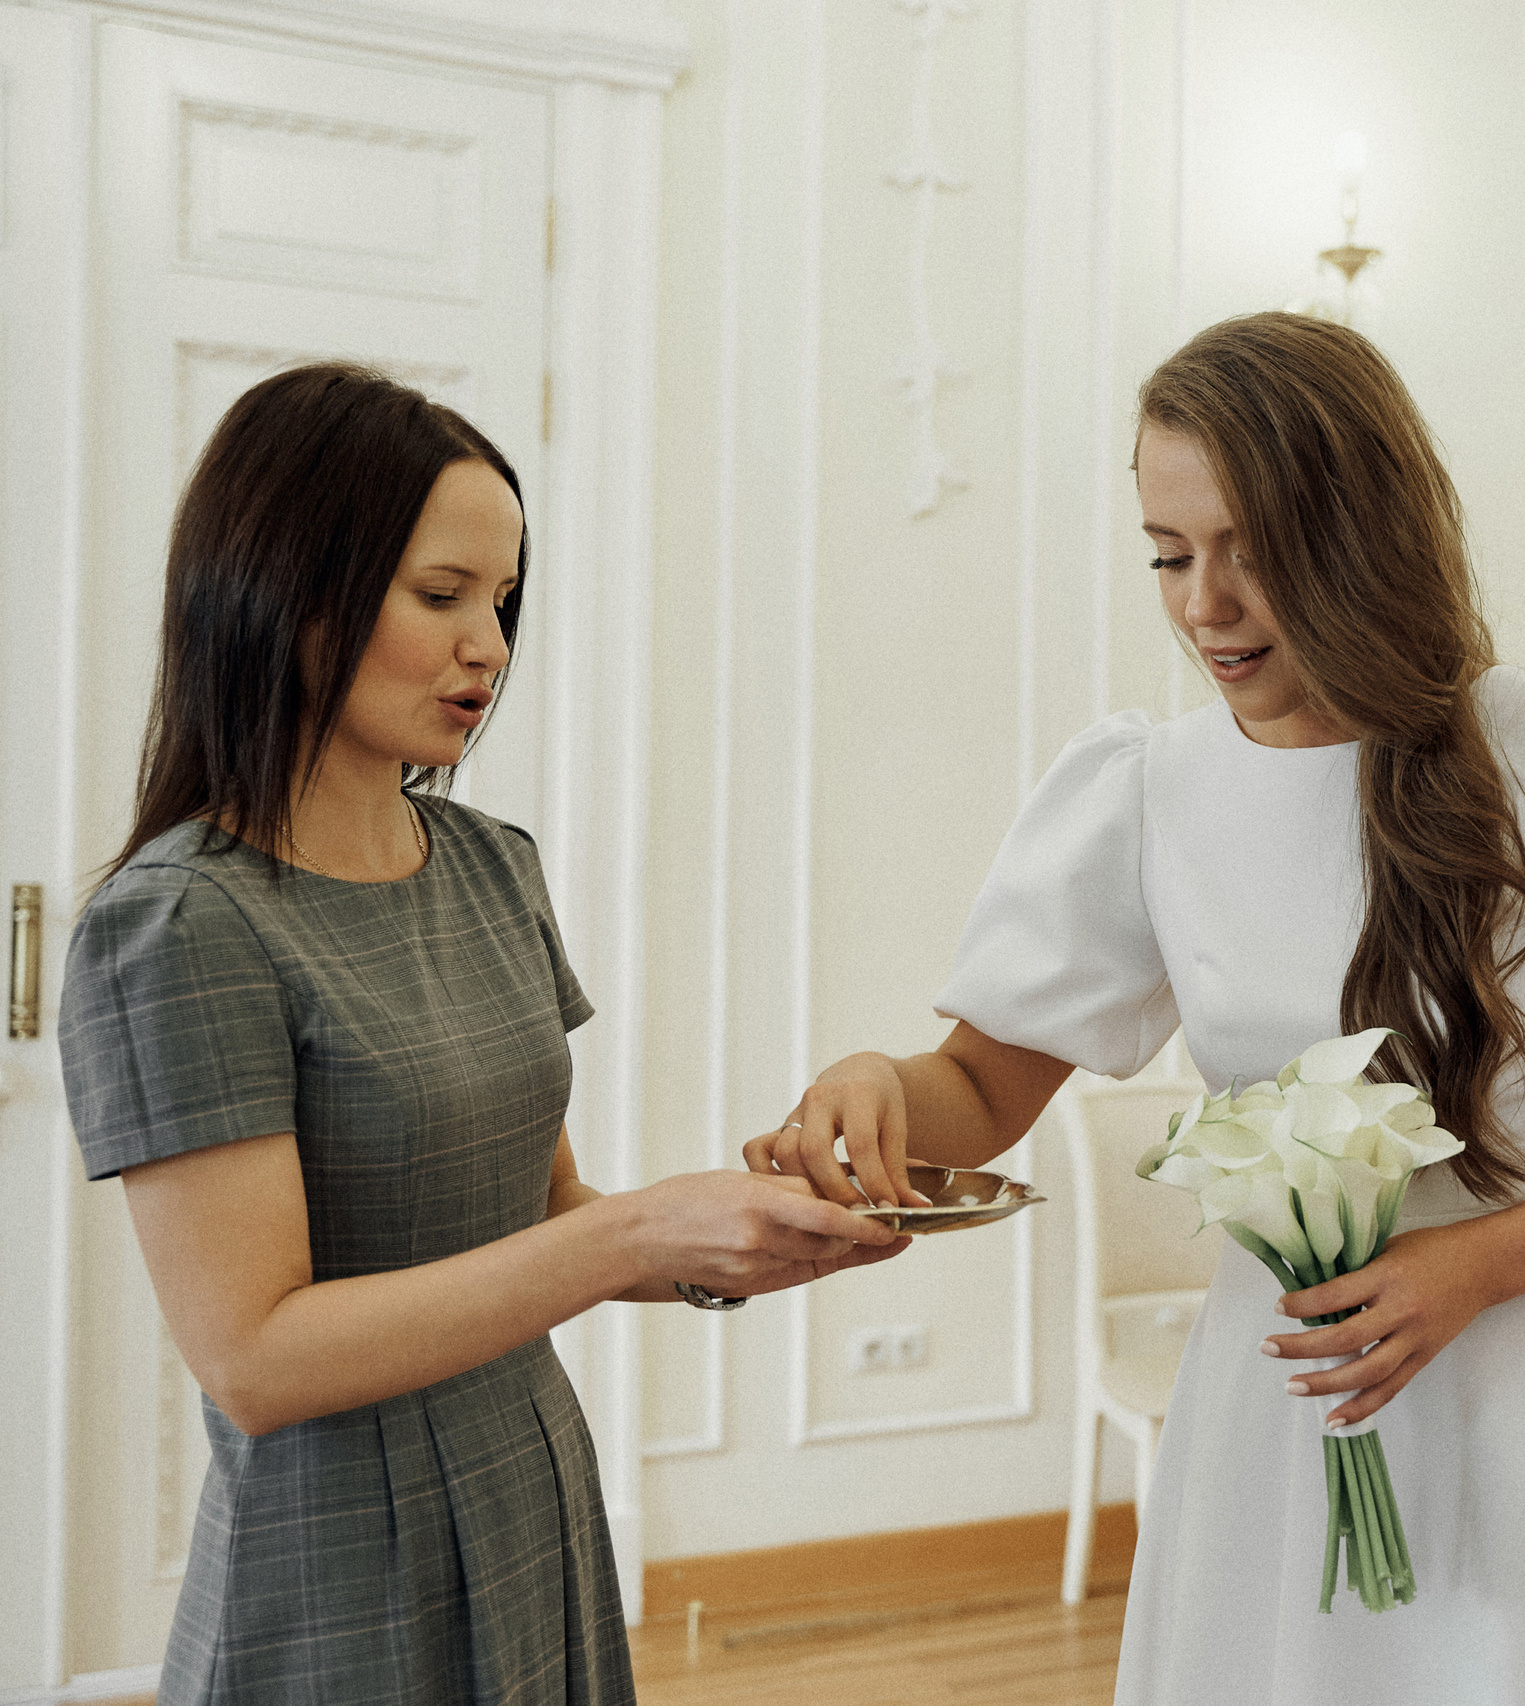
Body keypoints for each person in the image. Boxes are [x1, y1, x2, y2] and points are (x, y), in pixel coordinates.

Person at [749, 311, 1525, 1704]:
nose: (1204, 605)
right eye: (1170, 556)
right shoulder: (1146, 791)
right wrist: (880, 1081)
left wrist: (1477, 1266)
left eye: (1255, 552)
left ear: (1367, 537)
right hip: (1294, 1392)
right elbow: (985, 1088)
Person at [57, 364, 908, 1705]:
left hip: (530, 1489)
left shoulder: (489, 865)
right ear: (290, 586)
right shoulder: (179, 926)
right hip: (338, 1558)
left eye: (502, 601)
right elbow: (255, 1357)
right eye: (440, 595)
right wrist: (634, 1235)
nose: (490, 646)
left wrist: (734, 1238)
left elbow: (547, 1210)